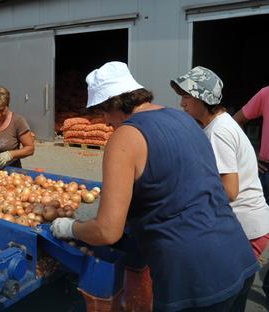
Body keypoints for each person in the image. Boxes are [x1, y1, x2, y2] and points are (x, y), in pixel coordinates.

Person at [50, 61, 258, 311]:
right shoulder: (184, 120)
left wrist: (71, 228)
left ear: (115, 103)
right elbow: (180, 183)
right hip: (237, 256)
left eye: (103, 112)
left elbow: (107, 231)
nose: (104, 122)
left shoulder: (125, 138)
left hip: (192, 280)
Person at [170, 66, 269, 259]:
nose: (182, 103)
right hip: (244, 225)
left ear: (203, 98)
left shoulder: (218, 132)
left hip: (245, 229)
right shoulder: (218, 124)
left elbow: (229, 191)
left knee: (223, 285)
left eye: (186, 97)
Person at [233, 86, 269, 304]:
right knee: (258, 231)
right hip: (267, 173)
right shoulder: (266, 94)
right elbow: (236, 120)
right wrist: (251, 154)